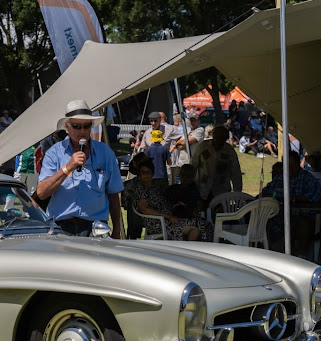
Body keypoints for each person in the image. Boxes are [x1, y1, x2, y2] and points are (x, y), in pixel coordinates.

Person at [36, 99, 123, 238]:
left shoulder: (105, 153)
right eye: (76, 126)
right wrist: (68, 167)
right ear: (67, 127)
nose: (82, 131)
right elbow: (41, 192)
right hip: (61, 227)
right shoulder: (54, 153)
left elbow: (113, 195)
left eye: (87, 126)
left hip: (95, 228)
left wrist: (117, 231)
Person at [127, 158, 213, 241]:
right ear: (139, 174)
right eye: (143, 172)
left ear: (152, 173)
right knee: (200, 227)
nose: (146, 175)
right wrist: (168, 216)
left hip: (170, 219)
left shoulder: (154, 187)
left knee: (202, 226)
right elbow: (145, 209)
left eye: (148, 172)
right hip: (160, 223)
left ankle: (194, 252)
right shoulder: (141, 189)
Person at [262, 150, 321, 257]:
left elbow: (314, 196)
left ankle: (301, 256)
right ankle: (267, 253)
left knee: (304, 223)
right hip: (279, 217)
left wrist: (294, 199)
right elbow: (265, 193)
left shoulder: (307, 179)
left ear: (298, 164)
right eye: (286, 166)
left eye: (292, 165)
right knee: (262, 220)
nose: (289, 169)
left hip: (301, 216)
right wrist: (272, 196)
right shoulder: (279, 179)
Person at [191, 125, 243, 205]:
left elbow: (235, 173)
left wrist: (237, 193)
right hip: (202, 189)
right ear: (213, 136)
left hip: (221, 191)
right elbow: (193, 165)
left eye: (222, 139)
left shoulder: (229, 151)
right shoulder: (203, 146)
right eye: (217, 138)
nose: (218, 142)